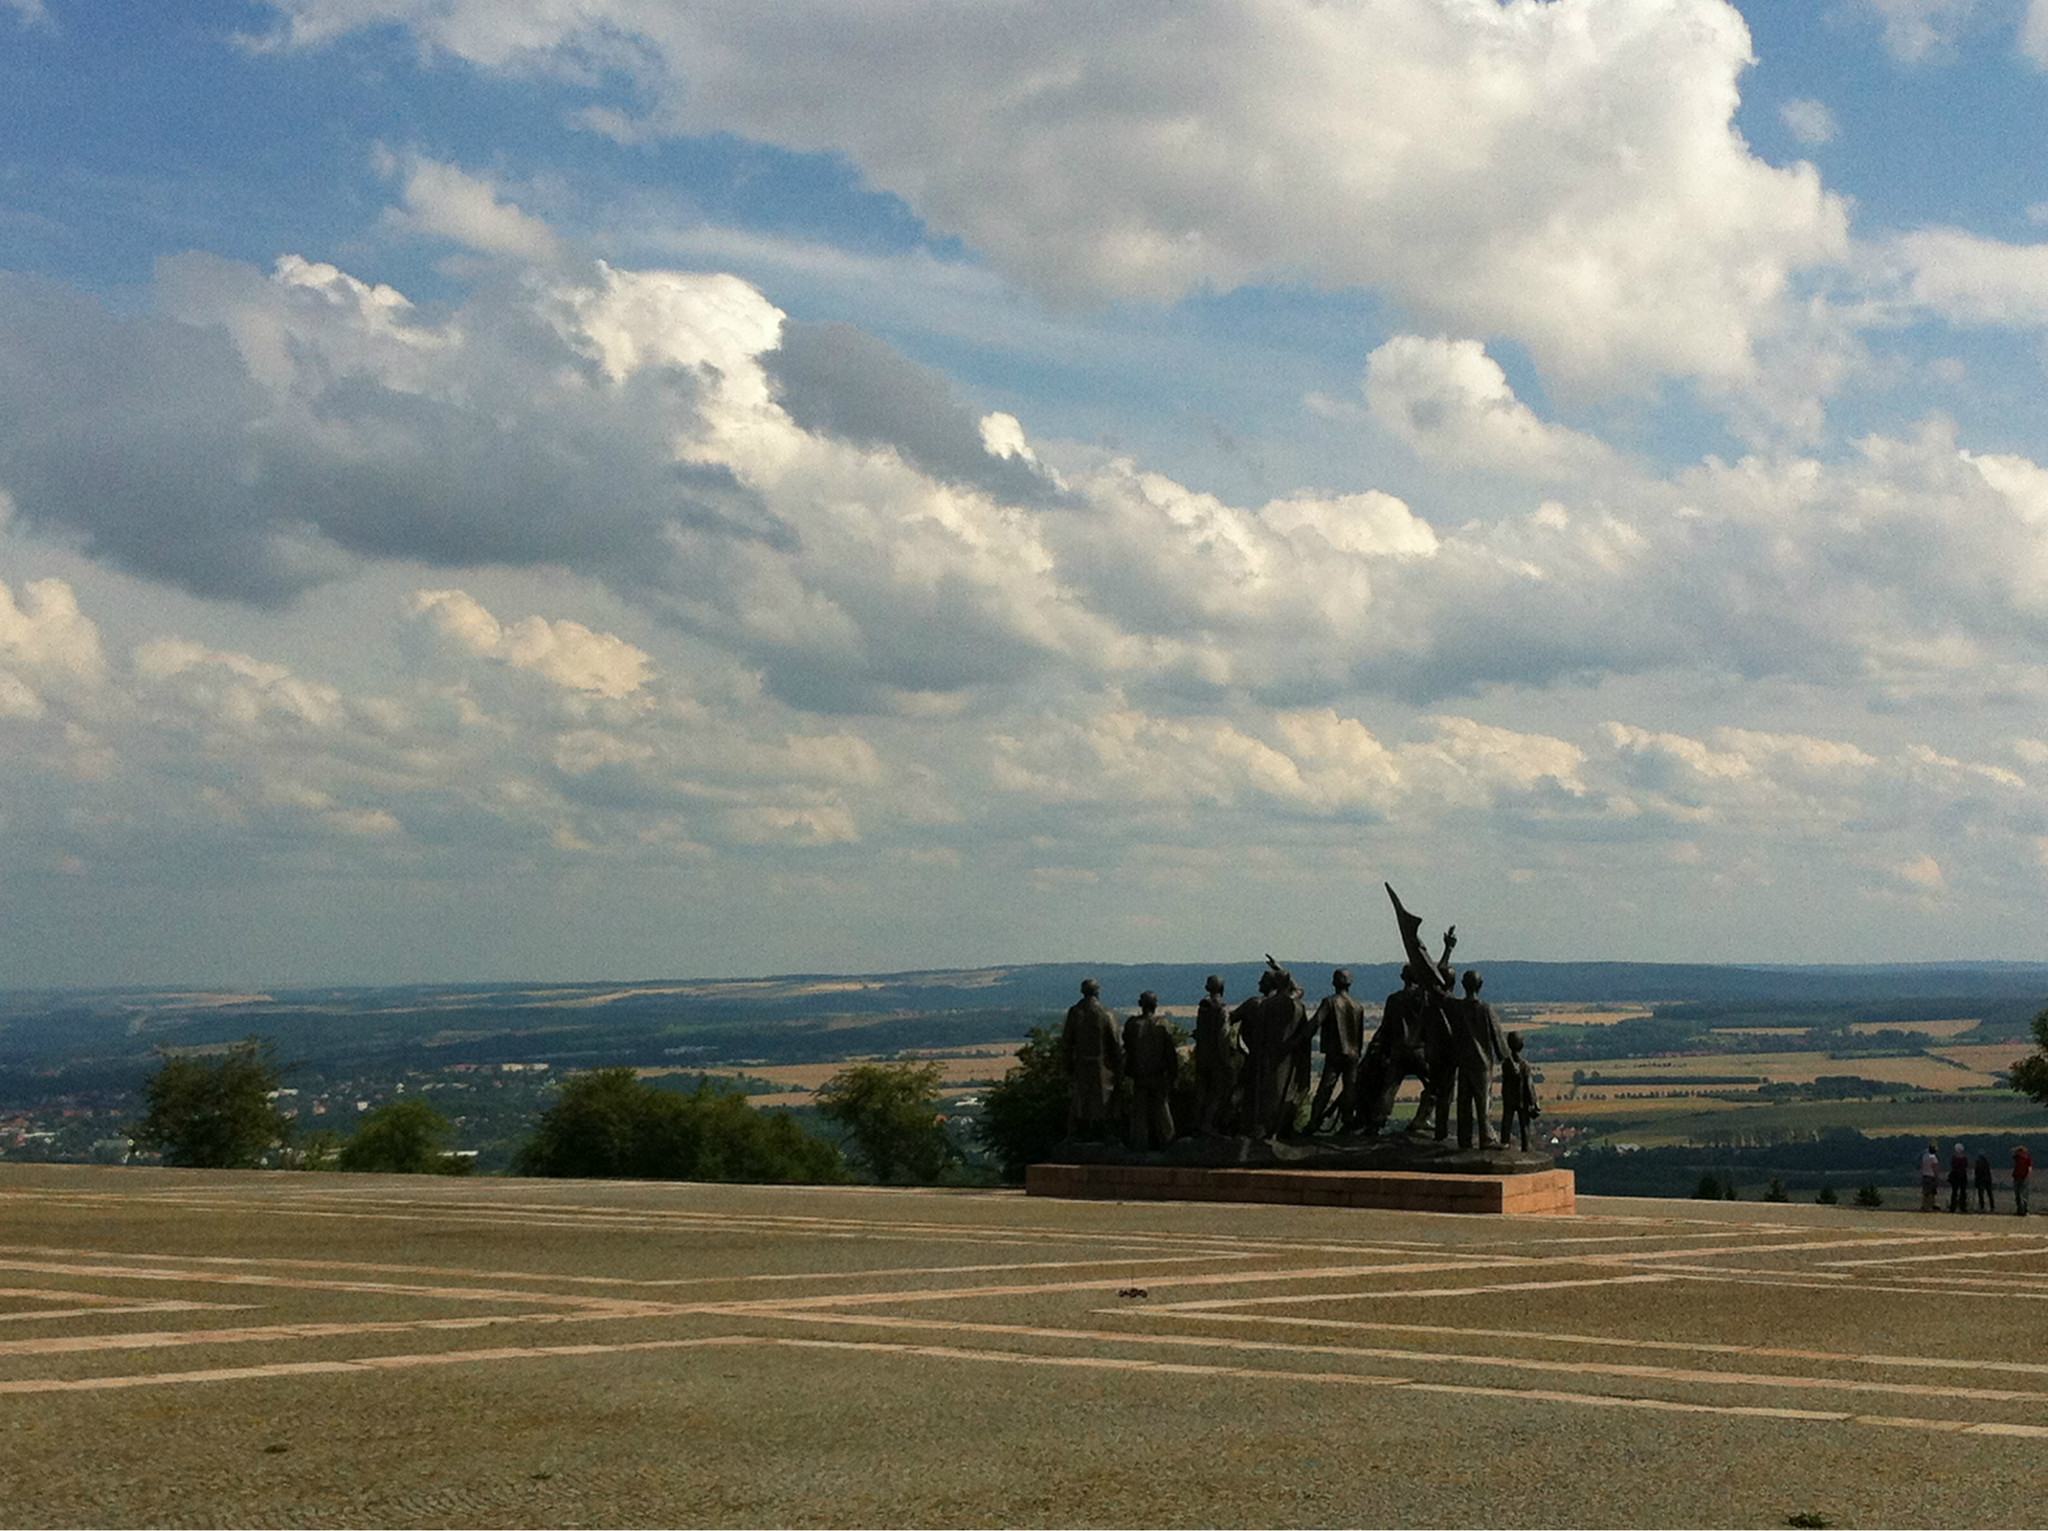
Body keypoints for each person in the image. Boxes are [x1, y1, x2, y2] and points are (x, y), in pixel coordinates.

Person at [1447, 970, 1510, 1150]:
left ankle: (1464, 1139)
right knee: (1483, 1102)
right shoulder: (1485, 1009)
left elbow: (1442, 995)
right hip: (1481, 1064)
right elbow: (1497, 1037)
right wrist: (1506, 1059)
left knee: (1464, 1102)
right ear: (1480, 985)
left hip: (1463, 1063)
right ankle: (1487, 1138)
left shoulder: (1457, 1007)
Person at [1305, 968, 1367, 1134]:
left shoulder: (1330, 1002)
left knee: (1326, 1088)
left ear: (1334, 983)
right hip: (1353, 1054)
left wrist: (1300, 1037)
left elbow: (1315, 1022)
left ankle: (1313, 1121)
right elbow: (1360, 1035)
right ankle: (1347, 1120)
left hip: (1335, 1053)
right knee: (1350, 1088)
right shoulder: (1358, 1006)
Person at [1060, 978, 1122, 1140]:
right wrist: (1119, 1068)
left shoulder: (1075, 1012)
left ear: (1083, 992)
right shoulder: (1107, 1014)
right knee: (1103, 1102)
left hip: (1081, 1065)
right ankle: (1106, 1136)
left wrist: (1068, 1065)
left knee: (1081, 1101)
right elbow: (1116, 1043)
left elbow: (1066, 1043)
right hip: (1103, 1067)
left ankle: (1076, 1136)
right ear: (1098, 992)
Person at [1122, 991, 1179, 1152]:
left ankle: (1138, 1146)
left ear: (1141, 1004)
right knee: (1162, 1111)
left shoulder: (1132, 1024)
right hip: (1159, 1075)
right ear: (1156, 1005)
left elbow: (1126, 1048)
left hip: (1140, 1076)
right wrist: (1173, 1075)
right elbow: (1170, 1053)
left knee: (1139, 1113)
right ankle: (1168, 1145)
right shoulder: (1163, 1024)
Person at [1192, 974, 1240, 1136]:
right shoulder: (1222, 1009)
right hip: (1217, 1058)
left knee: (1201, 1091)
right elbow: (1223, 1036)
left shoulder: (1203, 1007)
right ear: (1222, 988)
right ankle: (1209, 1123)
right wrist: (1227, 1059)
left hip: (1202, 1055)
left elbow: (1199, 1032)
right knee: (1218, 1091)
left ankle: (1197, 1124)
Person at [1499, 1031, 1540, 1152]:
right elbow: (1529, 1085)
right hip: (1522, 1100)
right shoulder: (1524, 1065)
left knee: (1506, 1122)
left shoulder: (1506, 1064)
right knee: (1525, 1125)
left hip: (1509, 1099)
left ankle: (1504, 1144)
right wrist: (1534, 1102)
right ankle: (1526, 1147)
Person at [1950, 1142, 1971, 1213]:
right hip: (1960, 1176)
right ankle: (1961, 1207)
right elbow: (1965, 1166)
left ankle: (1955, 1207)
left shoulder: (1954, 1158)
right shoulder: (1963, 1158)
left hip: (1957, 1176)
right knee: (1959, 1192)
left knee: (1957, 1192)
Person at [1920, 1142, 1940, 1213]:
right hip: (1931, 1176)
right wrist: (1937, 1175)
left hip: (1925, 1175)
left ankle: (1925, 1205)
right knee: (1931, 1192)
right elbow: (1935, 1167)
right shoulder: (1933, 1157)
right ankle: (1930, 1205)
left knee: (1926, 1192)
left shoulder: (1925, 1156)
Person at [2016, 1145, 2033, 1217]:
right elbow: (2013, 1153)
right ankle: (2019, 1210)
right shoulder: (2017, 1158)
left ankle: (2025, 1210)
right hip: (2017, 1177)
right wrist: (2017, 1150)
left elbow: (2030, 1167)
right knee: (2017, 1194)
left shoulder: (2028, 1159)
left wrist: (2028, 1175)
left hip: (2024, 1178)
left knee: (2024, 1194)